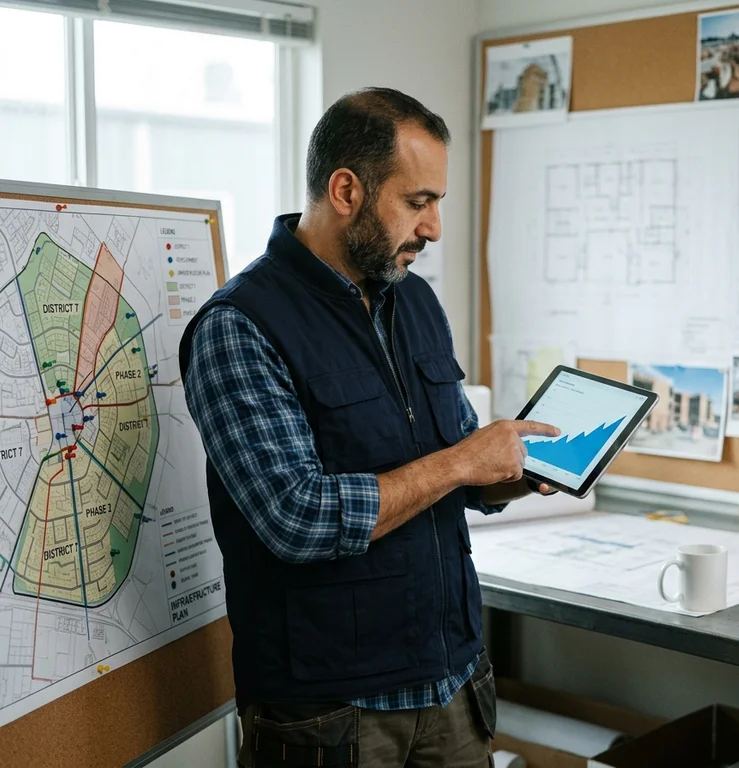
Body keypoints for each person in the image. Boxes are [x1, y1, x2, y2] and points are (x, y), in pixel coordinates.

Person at [179, 87, 559, 768]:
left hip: (453, 682)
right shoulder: (239, 326)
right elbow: (298, 518)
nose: (436, 227)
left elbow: (459, 471)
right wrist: (462, 463)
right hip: (333, 716)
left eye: (437, 202)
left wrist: (517, 474)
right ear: (347, 191)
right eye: (419, 202)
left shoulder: (415, 301)